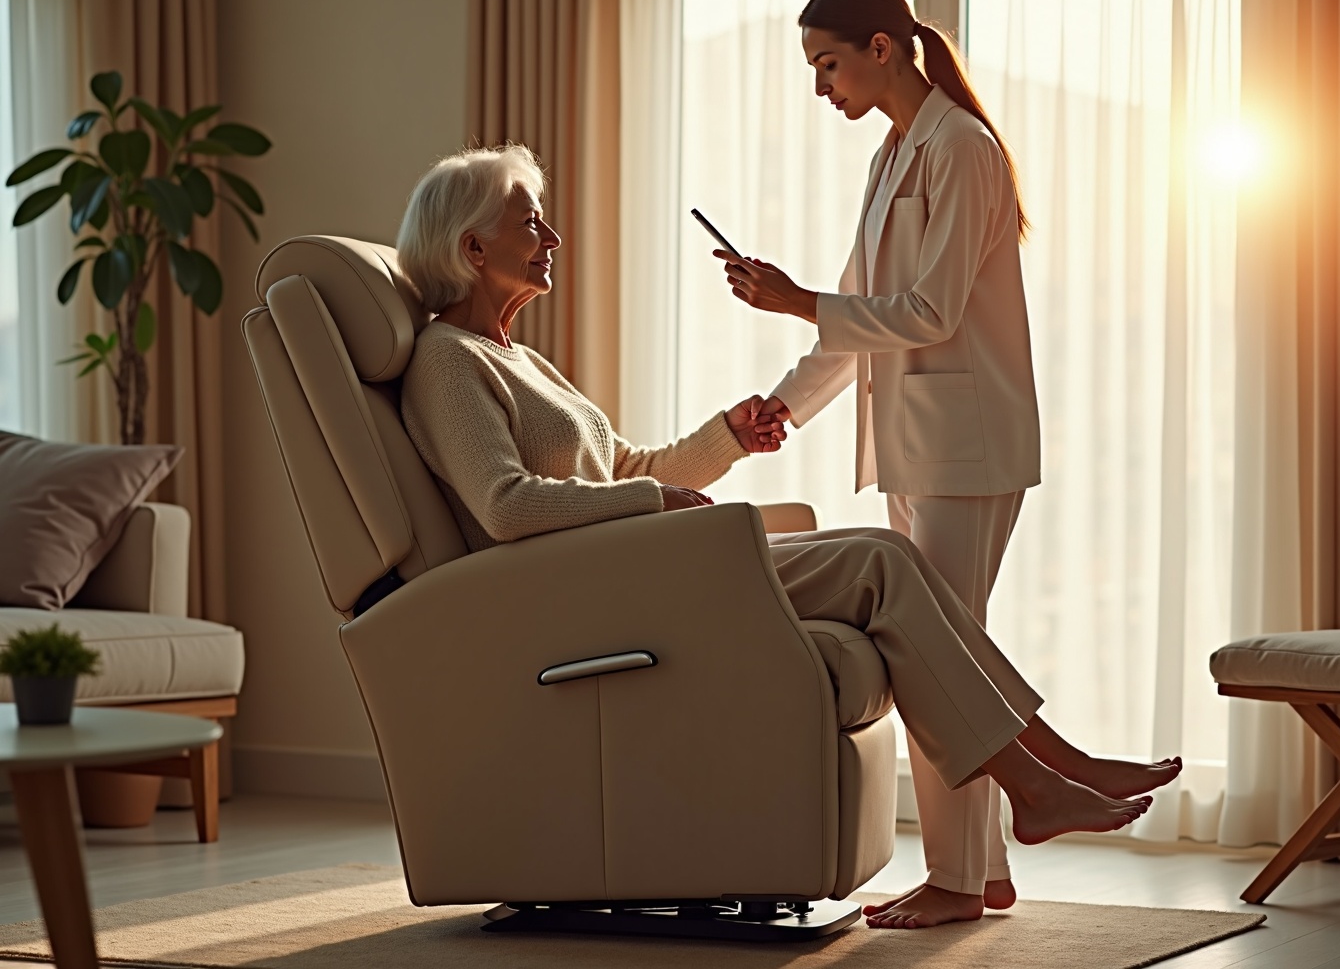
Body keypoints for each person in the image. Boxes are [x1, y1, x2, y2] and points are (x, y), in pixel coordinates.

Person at [395, 144, 1156, 928]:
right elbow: (508, 507)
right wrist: (656, 499)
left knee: (886, 557)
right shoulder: (447, 362)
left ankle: (1040, 771)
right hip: (594, 591)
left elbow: (623, 465)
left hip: (626, 564)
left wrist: (728, 435)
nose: (551, 238)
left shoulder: (517, 358)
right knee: (876, 557)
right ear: (472, 248)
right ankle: (1040, 776)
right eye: (531, 222)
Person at [711, 0, 1182, 928]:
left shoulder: (961, 150)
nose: (819, 87)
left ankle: (964, 879)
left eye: (826, 64)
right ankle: (999, 858)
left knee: (931, 654)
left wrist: (795, 297)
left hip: (966, 445)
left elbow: (927, 314)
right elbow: (854, 325)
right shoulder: (890, 156)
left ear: (881, 49)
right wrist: (785, 409)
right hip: (914, 448)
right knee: (943, 649)